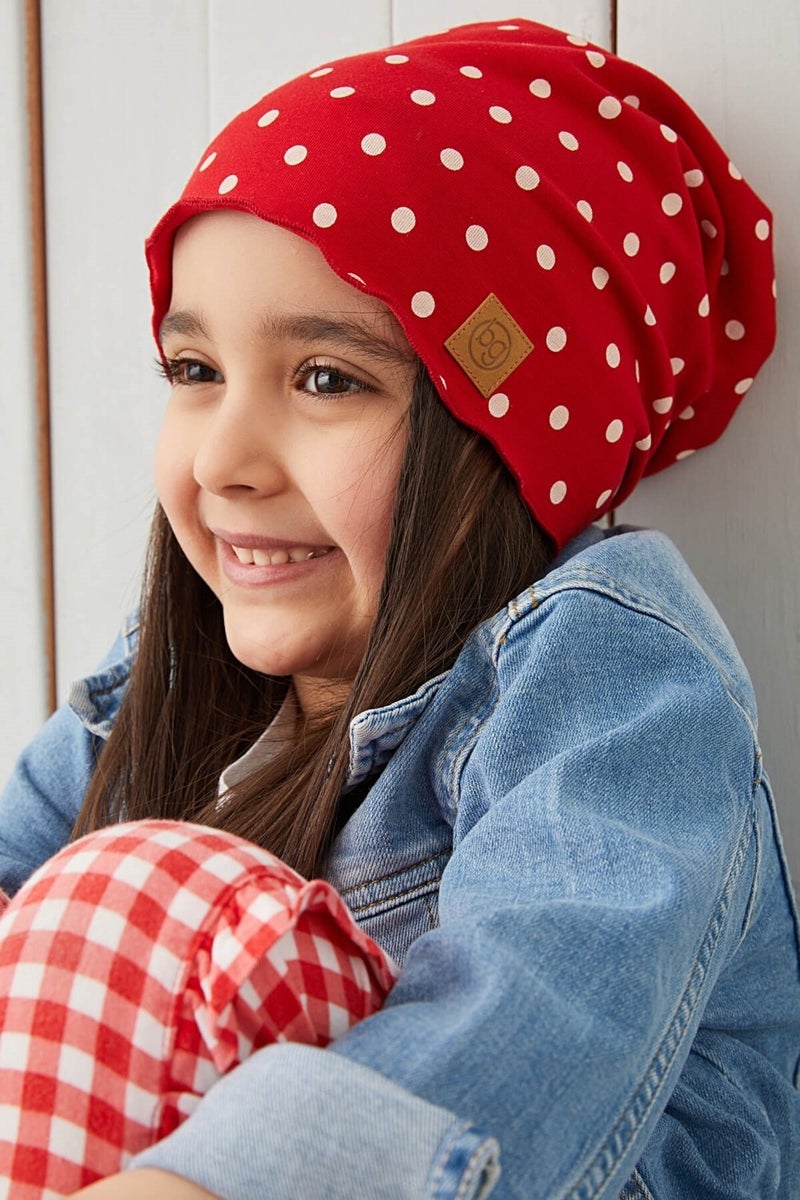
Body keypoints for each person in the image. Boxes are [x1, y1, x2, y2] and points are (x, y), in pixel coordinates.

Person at [0, 16, 798, 1200]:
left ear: (503, 438)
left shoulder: (607, 671)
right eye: (194, 371)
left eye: (325, 379)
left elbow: (535, 1011)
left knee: (135, 897)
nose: (223, 459)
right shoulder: (175, 690)